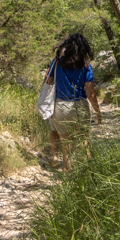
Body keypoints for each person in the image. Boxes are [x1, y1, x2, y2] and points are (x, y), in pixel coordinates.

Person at [45, 32, 101, 168]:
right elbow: (90, 92)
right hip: (80, 105)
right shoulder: (86, 66)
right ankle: (86, 176)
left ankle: (69, 178)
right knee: (83, 142)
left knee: (66, 146)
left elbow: (47, 84)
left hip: (61, 106)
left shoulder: (56, 63)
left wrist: (48, 106)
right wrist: (97, 111)